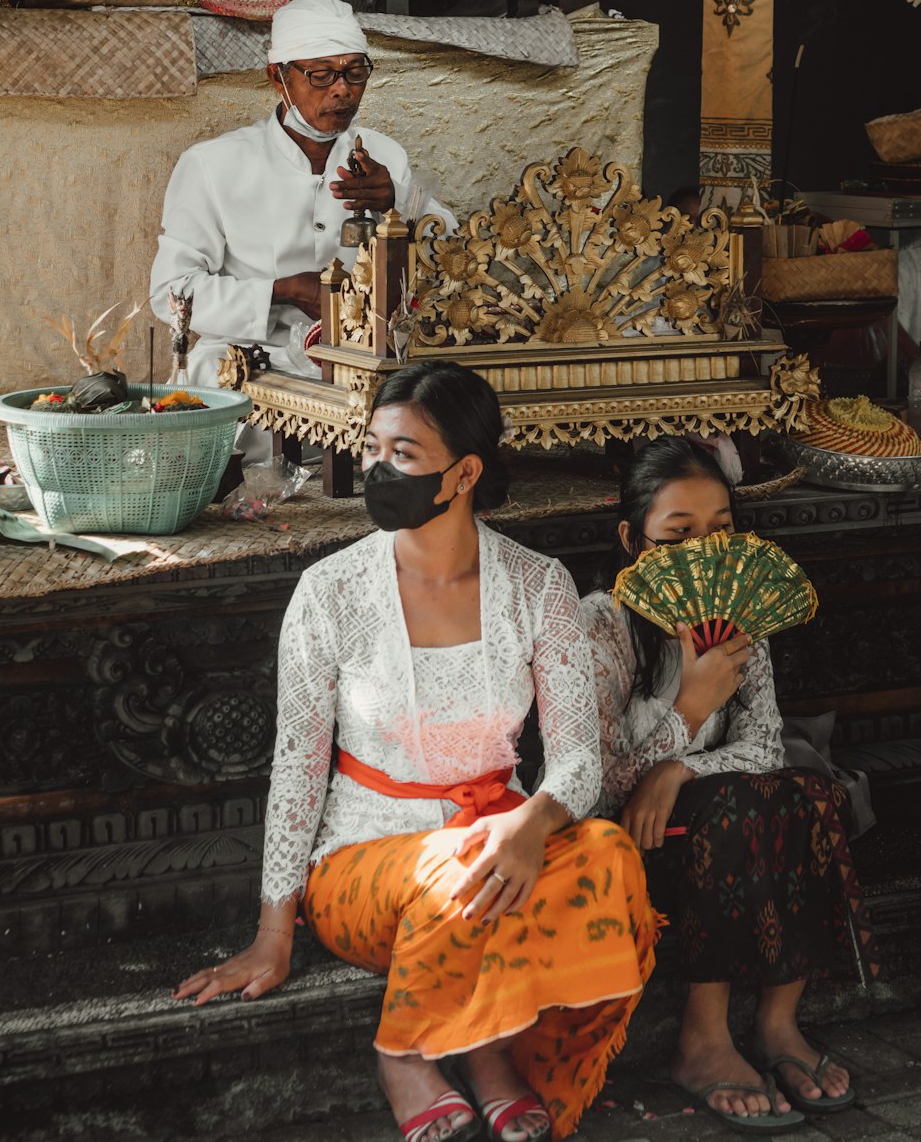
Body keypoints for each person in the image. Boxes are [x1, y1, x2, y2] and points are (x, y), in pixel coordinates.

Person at [174, 363, 661, 1142]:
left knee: (604, 852)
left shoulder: (539, 587)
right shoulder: (329, 592)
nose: (377, 470)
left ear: (464, 472)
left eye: (404, 454)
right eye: (375, 448)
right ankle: (405, 1056)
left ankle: (496, 1059)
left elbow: (576, 762)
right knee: (457, 866)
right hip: (366, 867)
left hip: (502, 847)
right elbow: (299, 765)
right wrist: (275, 931)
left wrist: (532, 823)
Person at [581, 436, 875, 1135]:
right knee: (745, 804)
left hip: (722, 811)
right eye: (678, 535)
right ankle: (702, 1039)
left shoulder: (742, 613)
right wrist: (688, 708)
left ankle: (777, 1025)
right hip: (631, 838)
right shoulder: (601, 626)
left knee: (800, 790)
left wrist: (677, 766)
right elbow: (594, 782)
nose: (705, 555)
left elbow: (764, 744)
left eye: (721, 531)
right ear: (632, 538)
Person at [150, 0, 456, 395]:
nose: (343, 90)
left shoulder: (383, 156)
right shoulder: (213, 164)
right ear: (279, 78)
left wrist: (395, 201)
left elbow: (454, 252)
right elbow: (171, 295)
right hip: (246, 368)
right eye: (322, 75)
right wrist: (283, 290)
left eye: (355, 72)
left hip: (363, 365)